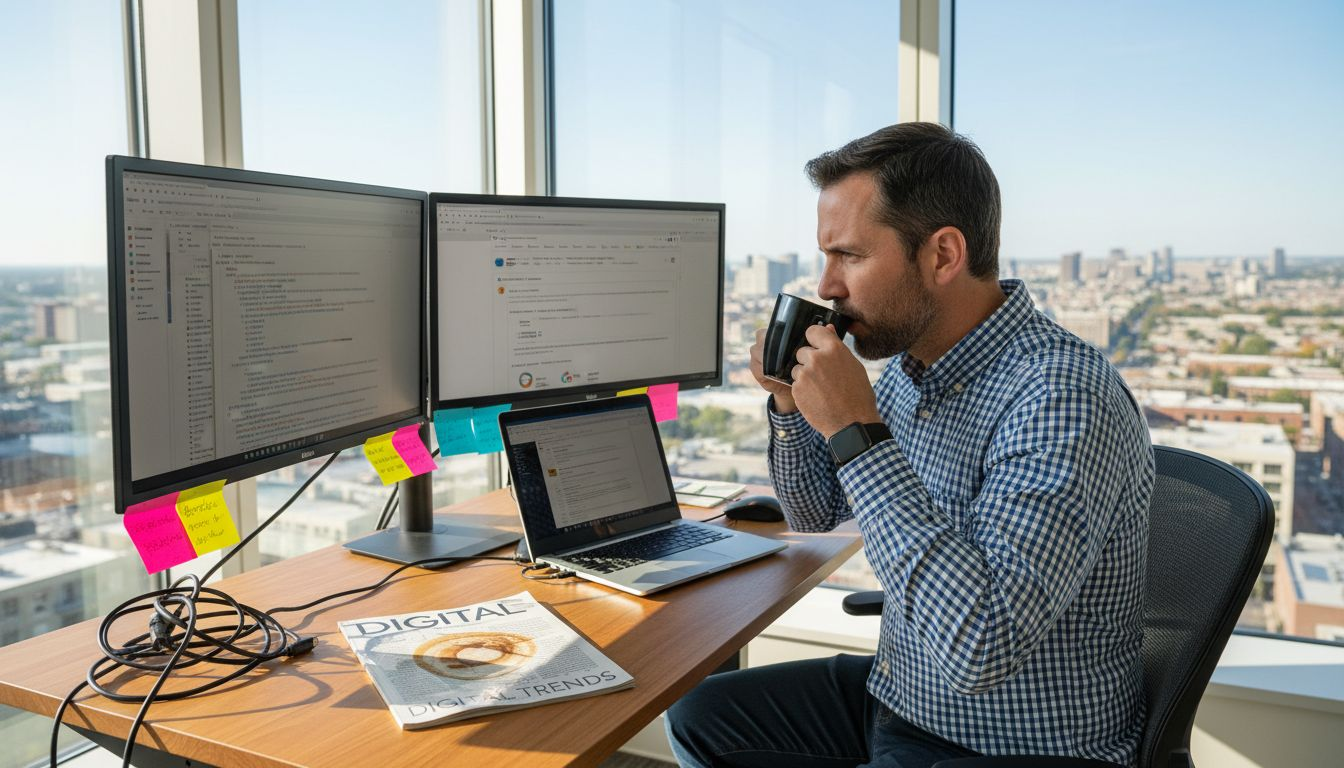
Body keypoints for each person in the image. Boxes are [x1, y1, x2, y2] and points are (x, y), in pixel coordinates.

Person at [665, 122, 1153, 767]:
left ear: (943, 255)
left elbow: (982, 646)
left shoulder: (1059, 393)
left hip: (1007, 743)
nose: (828, 285)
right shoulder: (911, 367)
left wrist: (858, 435)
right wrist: (789, 404)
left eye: (850, 256)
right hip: (906, 694)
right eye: (826, 257)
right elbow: (814, 515)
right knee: (702, 717)